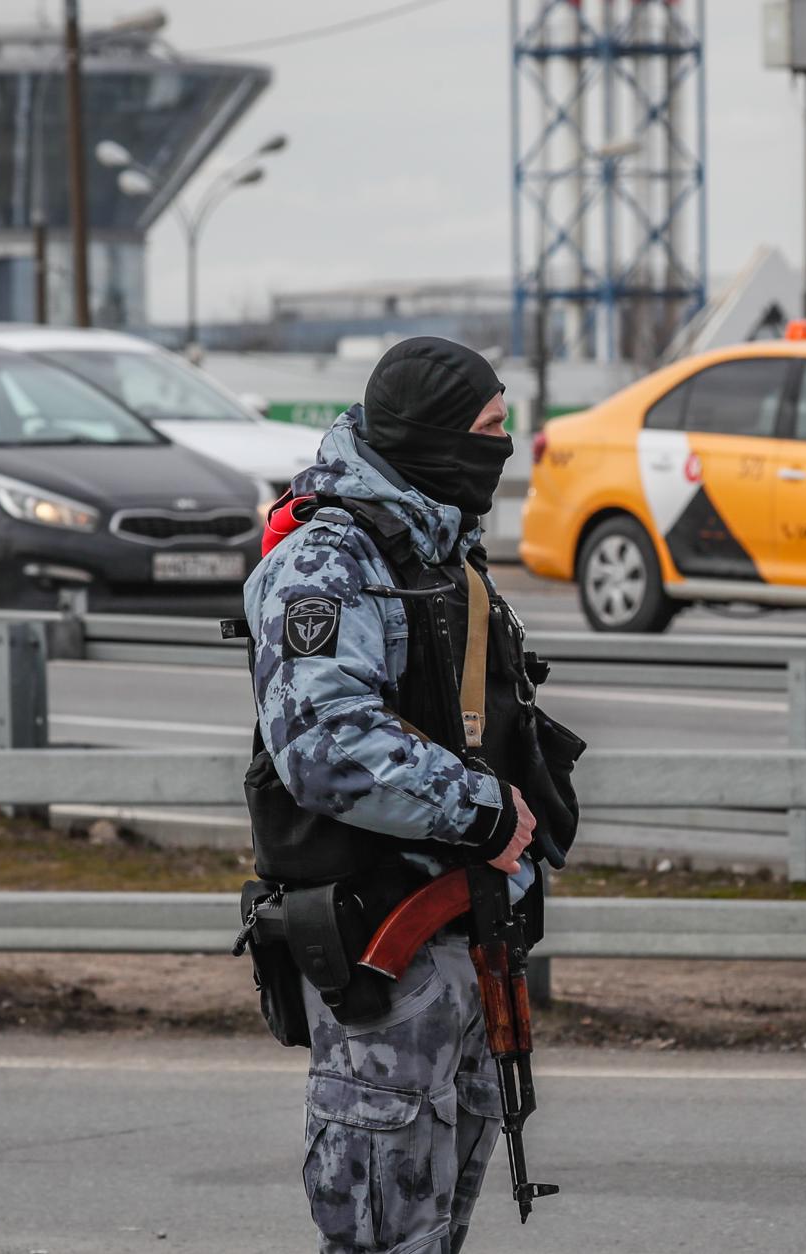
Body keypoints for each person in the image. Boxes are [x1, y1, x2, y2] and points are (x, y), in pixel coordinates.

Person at [242, 337, 576, 1253]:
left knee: (434, 1232)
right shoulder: (327, 562)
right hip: (382, 949)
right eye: (490, 429)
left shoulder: (437, 548)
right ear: (432, 436)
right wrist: (484, 809)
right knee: (383, 1238)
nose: (504, 449)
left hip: (463, 940)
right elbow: (323, 742)